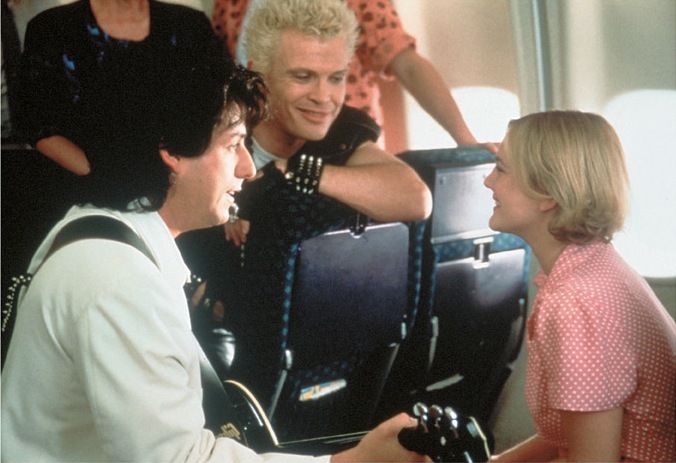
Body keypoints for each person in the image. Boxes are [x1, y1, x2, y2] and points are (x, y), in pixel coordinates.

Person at [0, 56, 427, 462]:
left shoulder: (98, 231)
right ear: (172, 152)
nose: (247, 168)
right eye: (234, 144)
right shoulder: (119, 282)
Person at [178, 0, 433, 426]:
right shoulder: (211, 132)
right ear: (258, 73)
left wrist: (294, 172)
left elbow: (415, 197)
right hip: (208, 337)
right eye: (302, 76)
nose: (323, 97)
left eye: (336, 78)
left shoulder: (339, 134)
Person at [484, 110, 676, 462]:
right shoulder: (594, 265)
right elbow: (567, 436)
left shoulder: (576, 302)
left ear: (547, 194)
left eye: (501, 169)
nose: (488, 182)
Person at [211, 0, 497, 152]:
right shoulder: (232, 3)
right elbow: (223, 78)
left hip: (344, 147)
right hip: (260, 146)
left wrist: (464, 137)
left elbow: (407, 65)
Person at [16, 0, 225, 177]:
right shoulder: (51, 28)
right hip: (85, 189)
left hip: (180, 185)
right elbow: (37, 124)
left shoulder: (191, 26)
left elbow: (220, 110)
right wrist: (106, 177)